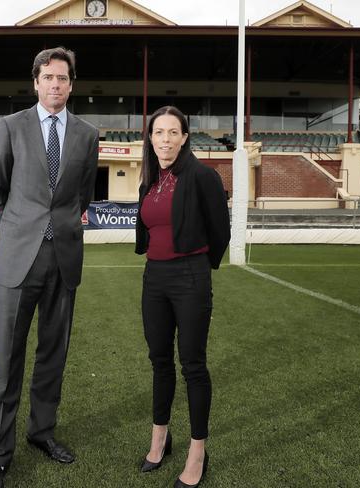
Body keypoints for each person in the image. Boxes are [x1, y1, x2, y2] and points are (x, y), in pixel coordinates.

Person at [0, 47, 99, 488]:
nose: (56, 85)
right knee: (6, 359)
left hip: (63, 258)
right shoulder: (10, 126)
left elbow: (82, 197)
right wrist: (25, 228)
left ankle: (41, 433)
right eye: (48, 77)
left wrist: (55, 228)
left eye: (63, 78)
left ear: (71, 84)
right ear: (35, 82)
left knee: (53, 354)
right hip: (19, 258)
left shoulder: (87, 134)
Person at [135, 106, 230, 488]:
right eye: (159, 132)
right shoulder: (150, 178)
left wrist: (197, 266)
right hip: (154, 278)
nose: (166, 139)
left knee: (192, 365)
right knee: (159, 361)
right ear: (151, 138)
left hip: (191, 275)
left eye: (174, 132)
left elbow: (219, 230)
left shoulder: (203, 176)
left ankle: (197, 452)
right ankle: (160, 439)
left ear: (185, 137)